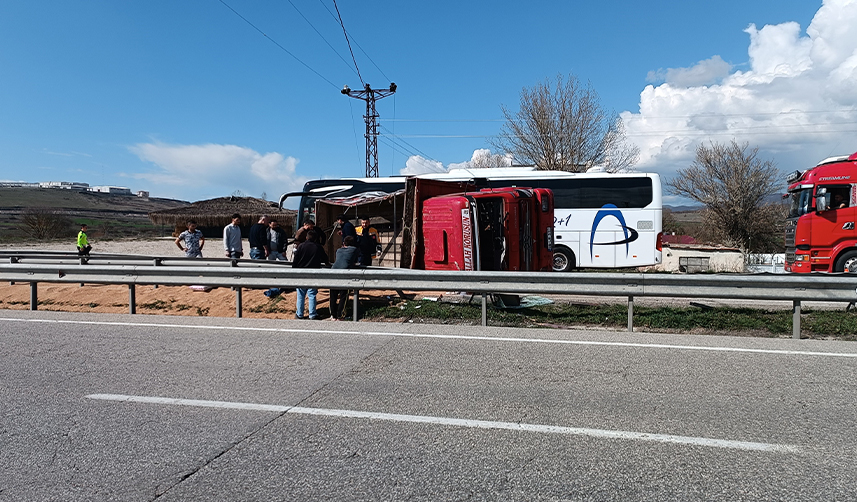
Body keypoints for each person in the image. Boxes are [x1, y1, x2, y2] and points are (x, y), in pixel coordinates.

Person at [292, 228, 329, 320]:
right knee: (312, 294)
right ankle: (312, 314)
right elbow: (325, 259)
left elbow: (295, 260)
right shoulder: (318, 247)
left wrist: (294, 271)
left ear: (306, 237)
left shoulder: (301, 246)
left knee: (301, 294)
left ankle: (299, 314)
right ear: (316, 238)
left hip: (301, 273)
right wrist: (327, 264)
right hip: (313, 273)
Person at [329, 235, 358, 320]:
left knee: (333, 296)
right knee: (343, 295)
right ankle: (340, 315)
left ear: (343, 243)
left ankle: (333, 315)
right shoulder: (354, 250)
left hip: (333, 273)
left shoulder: (338, 250)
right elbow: (354, 261)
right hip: (344, 275)